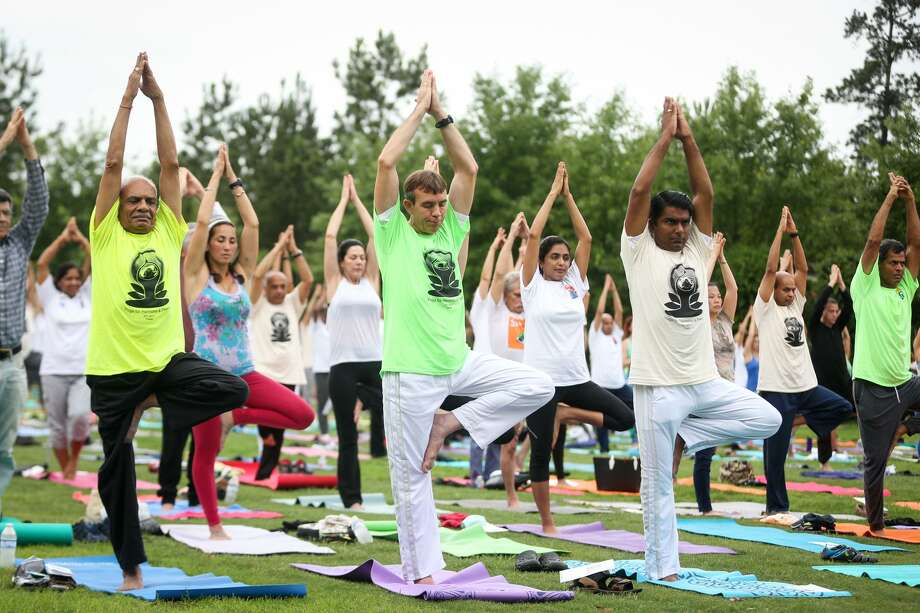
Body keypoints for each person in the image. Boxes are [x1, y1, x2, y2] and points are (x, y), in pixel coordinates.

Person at [373, 69, 553, 583]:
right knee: (413, 478)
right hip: (410, 371)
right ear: (407, 208)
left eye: (439, 203)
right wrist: (417, 110)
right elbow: (387, 162)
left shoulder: (451, 227)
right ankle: (423, 574)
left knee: (537, 385)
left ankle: (451, 423)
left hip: (459, 361)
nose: (436, 211)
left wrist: (442, 114)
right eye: (427, 205)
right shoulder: (392, 237)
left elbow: (467, 168)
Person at [85, 55, 250, 590]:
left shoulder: (167, 230)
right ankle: (131, 569)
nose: (142, 206)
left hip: (163, 366)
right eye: (133, 201)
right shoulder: (107, 233)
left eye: (149, 201)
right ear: (118, 207)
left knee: (231, 387)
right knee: (117, 474)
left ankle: (149, 401)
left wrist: (160, 100)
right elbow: (114, 164)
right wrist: (129, 100)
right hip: (112, 372)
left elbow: (171, 164)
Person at [621, 97, 781, 581]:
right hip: (657, 385)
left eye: (684, 222)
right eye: (670, 221)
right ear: (653, 225)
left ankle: (687, 438)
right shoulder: (638, 251)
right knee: (658, 484)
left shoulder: (695, 246)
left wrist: (689, 139)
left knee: (768, 417)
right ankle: (663, 568)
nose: (680, 228)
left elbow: (704, 192)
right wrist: (663, 138)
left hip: (703, 380)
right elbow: (638, 191)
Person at [184, 144, 314, 538]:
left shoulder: (243, 279)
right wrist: (210, 182)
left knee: (303, 416)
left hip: (244, 374)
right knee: (205, 455)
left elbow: (253, 226)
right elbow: (204, 218)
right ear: (207, 243)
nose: (227, 244)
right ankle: (214, 525)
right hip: (206, 378)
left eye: (230, 240)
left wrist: (233, 179)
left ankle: (235, 416)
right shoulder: (195, 277)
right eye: (219, 239)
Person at [522, 162, 635, 534]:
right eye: (553, 257)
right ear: (540, 262)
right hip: (541, 382)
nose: (560, 262)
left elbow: (585, 239)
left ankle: (567, 415)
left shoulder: (575, 285)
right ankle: (547, 521)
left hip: (575, 378)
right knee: (541, 455)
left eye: (564, 258)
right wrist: (552, 193)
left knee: (625, 418)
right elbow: (534, 233)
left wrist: (570, 197)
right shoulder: (533, 286)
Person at [754, 206, 853, 513]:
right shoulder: (766, 309)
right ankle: (777, 507)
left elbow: (804, 270)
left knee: (843, 407)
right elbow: (772, 271)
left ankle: (796, 419)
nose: (791, 293)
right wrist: (779, 231)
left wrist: (795, 233)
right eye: (786, 289)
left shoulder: (795, 304)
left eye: (793, 290)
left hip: (805, 387)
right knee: (775, 455)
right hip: (776, 389)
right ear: (775, 290)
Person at [851, 173, 920, 531]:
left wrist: (911, 201)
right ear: (878, 264)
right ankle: (876, 525)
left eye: (901, 263)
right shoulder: (864, 287)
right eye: (892, 263)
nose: (898, 268)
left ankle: (906, 425)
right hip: (873, 389)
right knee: (875, 463)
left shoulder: (906, 287)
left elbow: (915, 242)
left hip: (906, 384)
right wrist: (891, 197)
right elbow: (873, 239)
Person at [324, 173, 384, 509]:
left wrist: (359, 200)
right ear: (342, 263)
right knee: (348, 437)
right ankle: (352, 498)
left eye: (362, 257)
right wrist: (343, 201)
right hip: (344, 367)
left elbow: (375, 233)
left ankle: (363, 398)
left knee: (394, 412)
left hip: (374, 364)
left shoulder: (372, 281)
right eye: (353, 257)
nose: (360, 261)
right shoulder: (335, 283)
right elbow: (331, 235)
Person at [0, 106, 48, 510]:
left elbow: (39, 204)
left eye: (5, 212)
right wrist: (4, 141)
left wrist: (28, 145)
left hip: (12, 362)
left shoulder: (18, 244)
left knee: (4, 448)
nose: (2, 217)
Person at [249, 224, 314, 479]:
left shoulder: (292, 303)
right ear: (266, 289)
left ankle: (265, 474)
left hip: (289, 373)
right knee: (267, 427)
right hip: (264, 372)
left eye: (282, 286)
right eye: (274, 286)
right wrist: (278, 247)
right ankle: (265, 454)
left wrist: (294, 249)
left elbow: (307, 280)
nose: (278, 290)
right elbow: (256, 276)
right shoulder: (257, 304)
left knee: (280, 430)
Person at [35, 218, 92, 479]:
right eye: (68, 278)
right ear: (59, 282)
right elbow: (42, 264)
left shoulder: (87, 297)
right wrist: (62, 237)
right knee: (57, 426)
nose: (73, 282)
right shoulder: (50, 298)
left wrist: (79, 238)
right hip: (53, 371)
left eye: (77, 278)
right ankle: (66, 468)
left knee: (80, 417)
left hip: (82, 370)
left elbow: (94, 258)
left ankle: (73, 461)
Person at [689, 231, 739, 514]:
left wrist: (721, 259)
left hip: (728, 389)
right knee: (705, 454)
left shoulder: (724, 321)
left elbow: (734, 290)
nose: (717, 299)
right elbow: (697, 291)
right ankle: (704, 507)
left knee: (710, 448)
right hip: (705, 390)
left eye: (717, 295)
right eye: (710, 295)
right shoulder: (697, 321)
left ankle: (682, 443)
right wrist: (708, 256)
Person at [808, 263, 854, 463]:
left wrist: (842, 284)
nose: (835, 314)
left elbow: (850, 307)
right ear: (823, 313)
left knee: (860, 412)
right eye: (831, 311)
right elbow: (818, 304)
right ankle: (824, 462)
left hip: (843, 383)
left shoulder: (838, 328)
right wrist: (830, 284)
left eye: (836, 311)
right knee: (824, 425)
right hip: (824, 384)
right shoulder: (815, 329)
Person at [588, 273, 634, 454]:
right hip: (600, 385)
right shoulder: (595, 336)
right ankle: (604, 450)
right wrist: (605, 290)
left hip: (619, 384)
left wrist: (615, 291)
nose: (608, 324)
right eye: (605, 322)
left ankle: (636, 439)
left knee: (636, 407)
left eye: (610, 322)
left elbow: (620, 312)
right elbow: (599, 313)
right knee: (600, 419)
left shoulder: (616, 335)